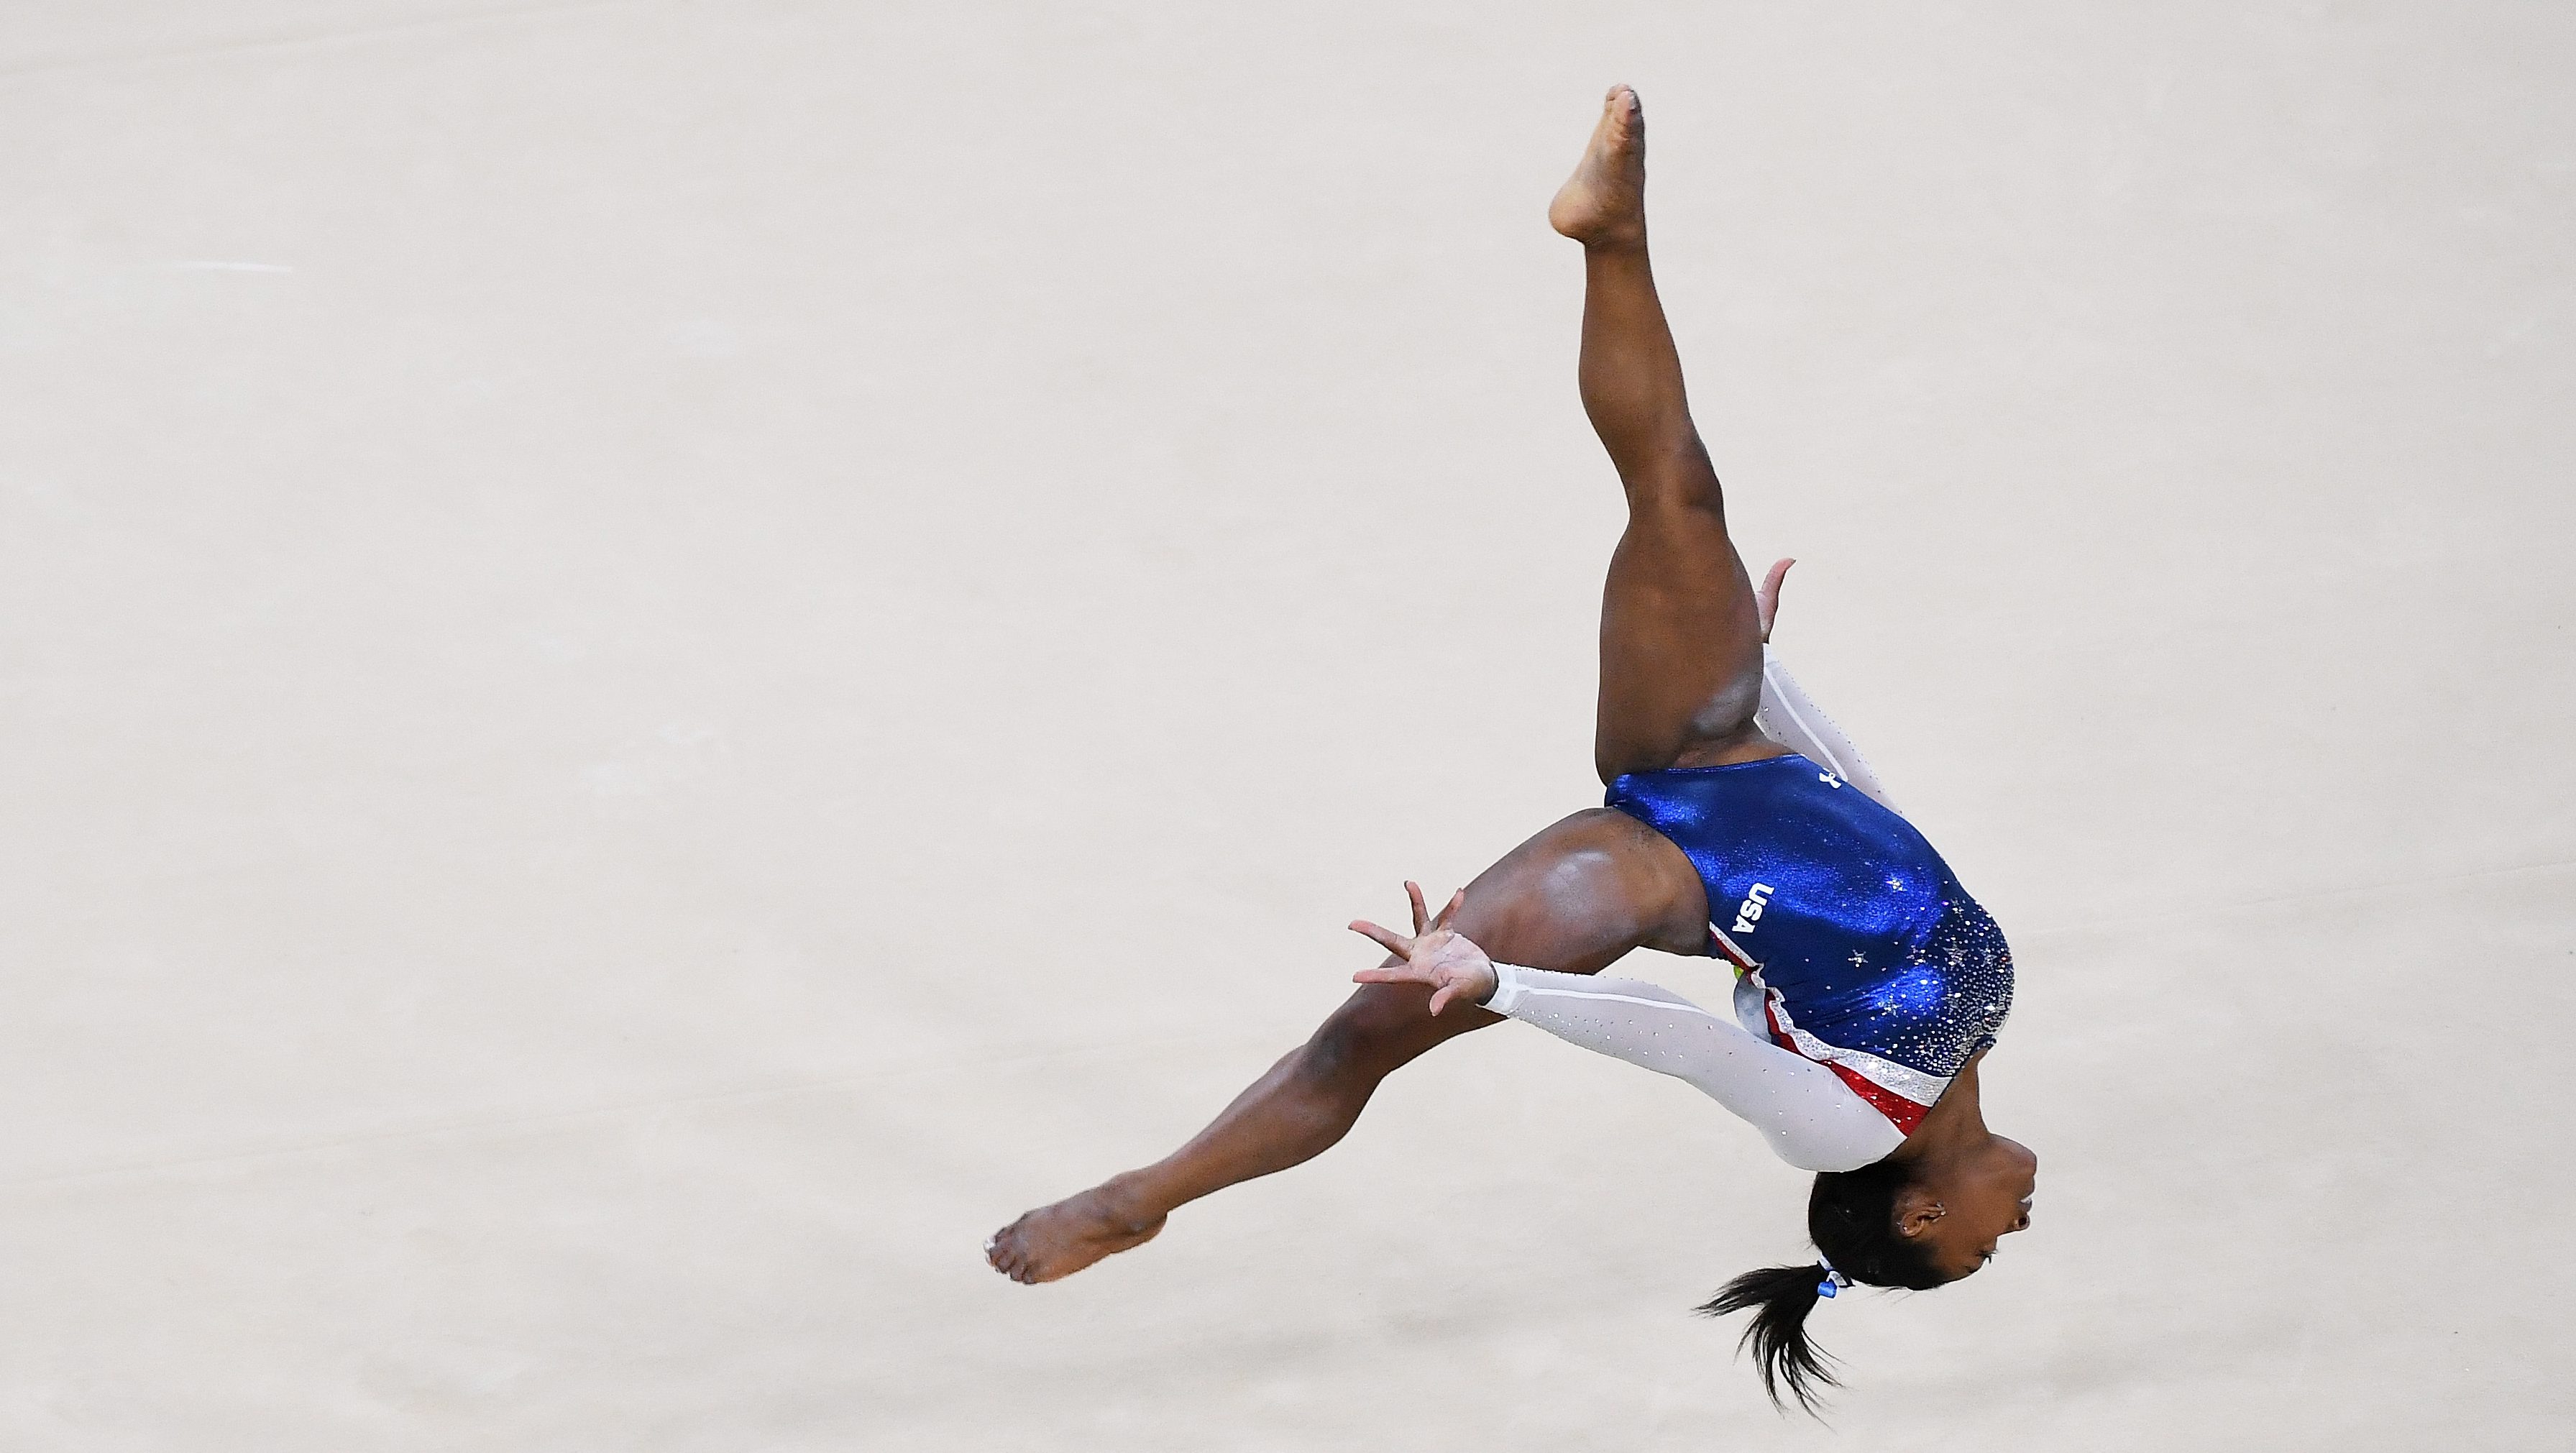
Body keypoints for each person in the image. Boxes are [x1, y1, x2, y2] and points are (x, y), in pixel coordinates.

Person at [985, 85, 2038, 1410]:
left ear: (1924, 1221)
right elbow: (1890, 836)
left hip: (1655, 870)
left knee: (1363, 1038)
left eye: (1983, 1257)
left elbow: (1680, 1037)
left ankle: (1142, 1196)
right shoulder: (1981, 1023)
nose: (2015, 1233)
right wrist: (1775, 680)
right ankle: (1612, 233)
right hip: (1727, 745)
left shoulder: (1843, 1122)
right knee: (1682, 490)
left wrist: (1500, 985)